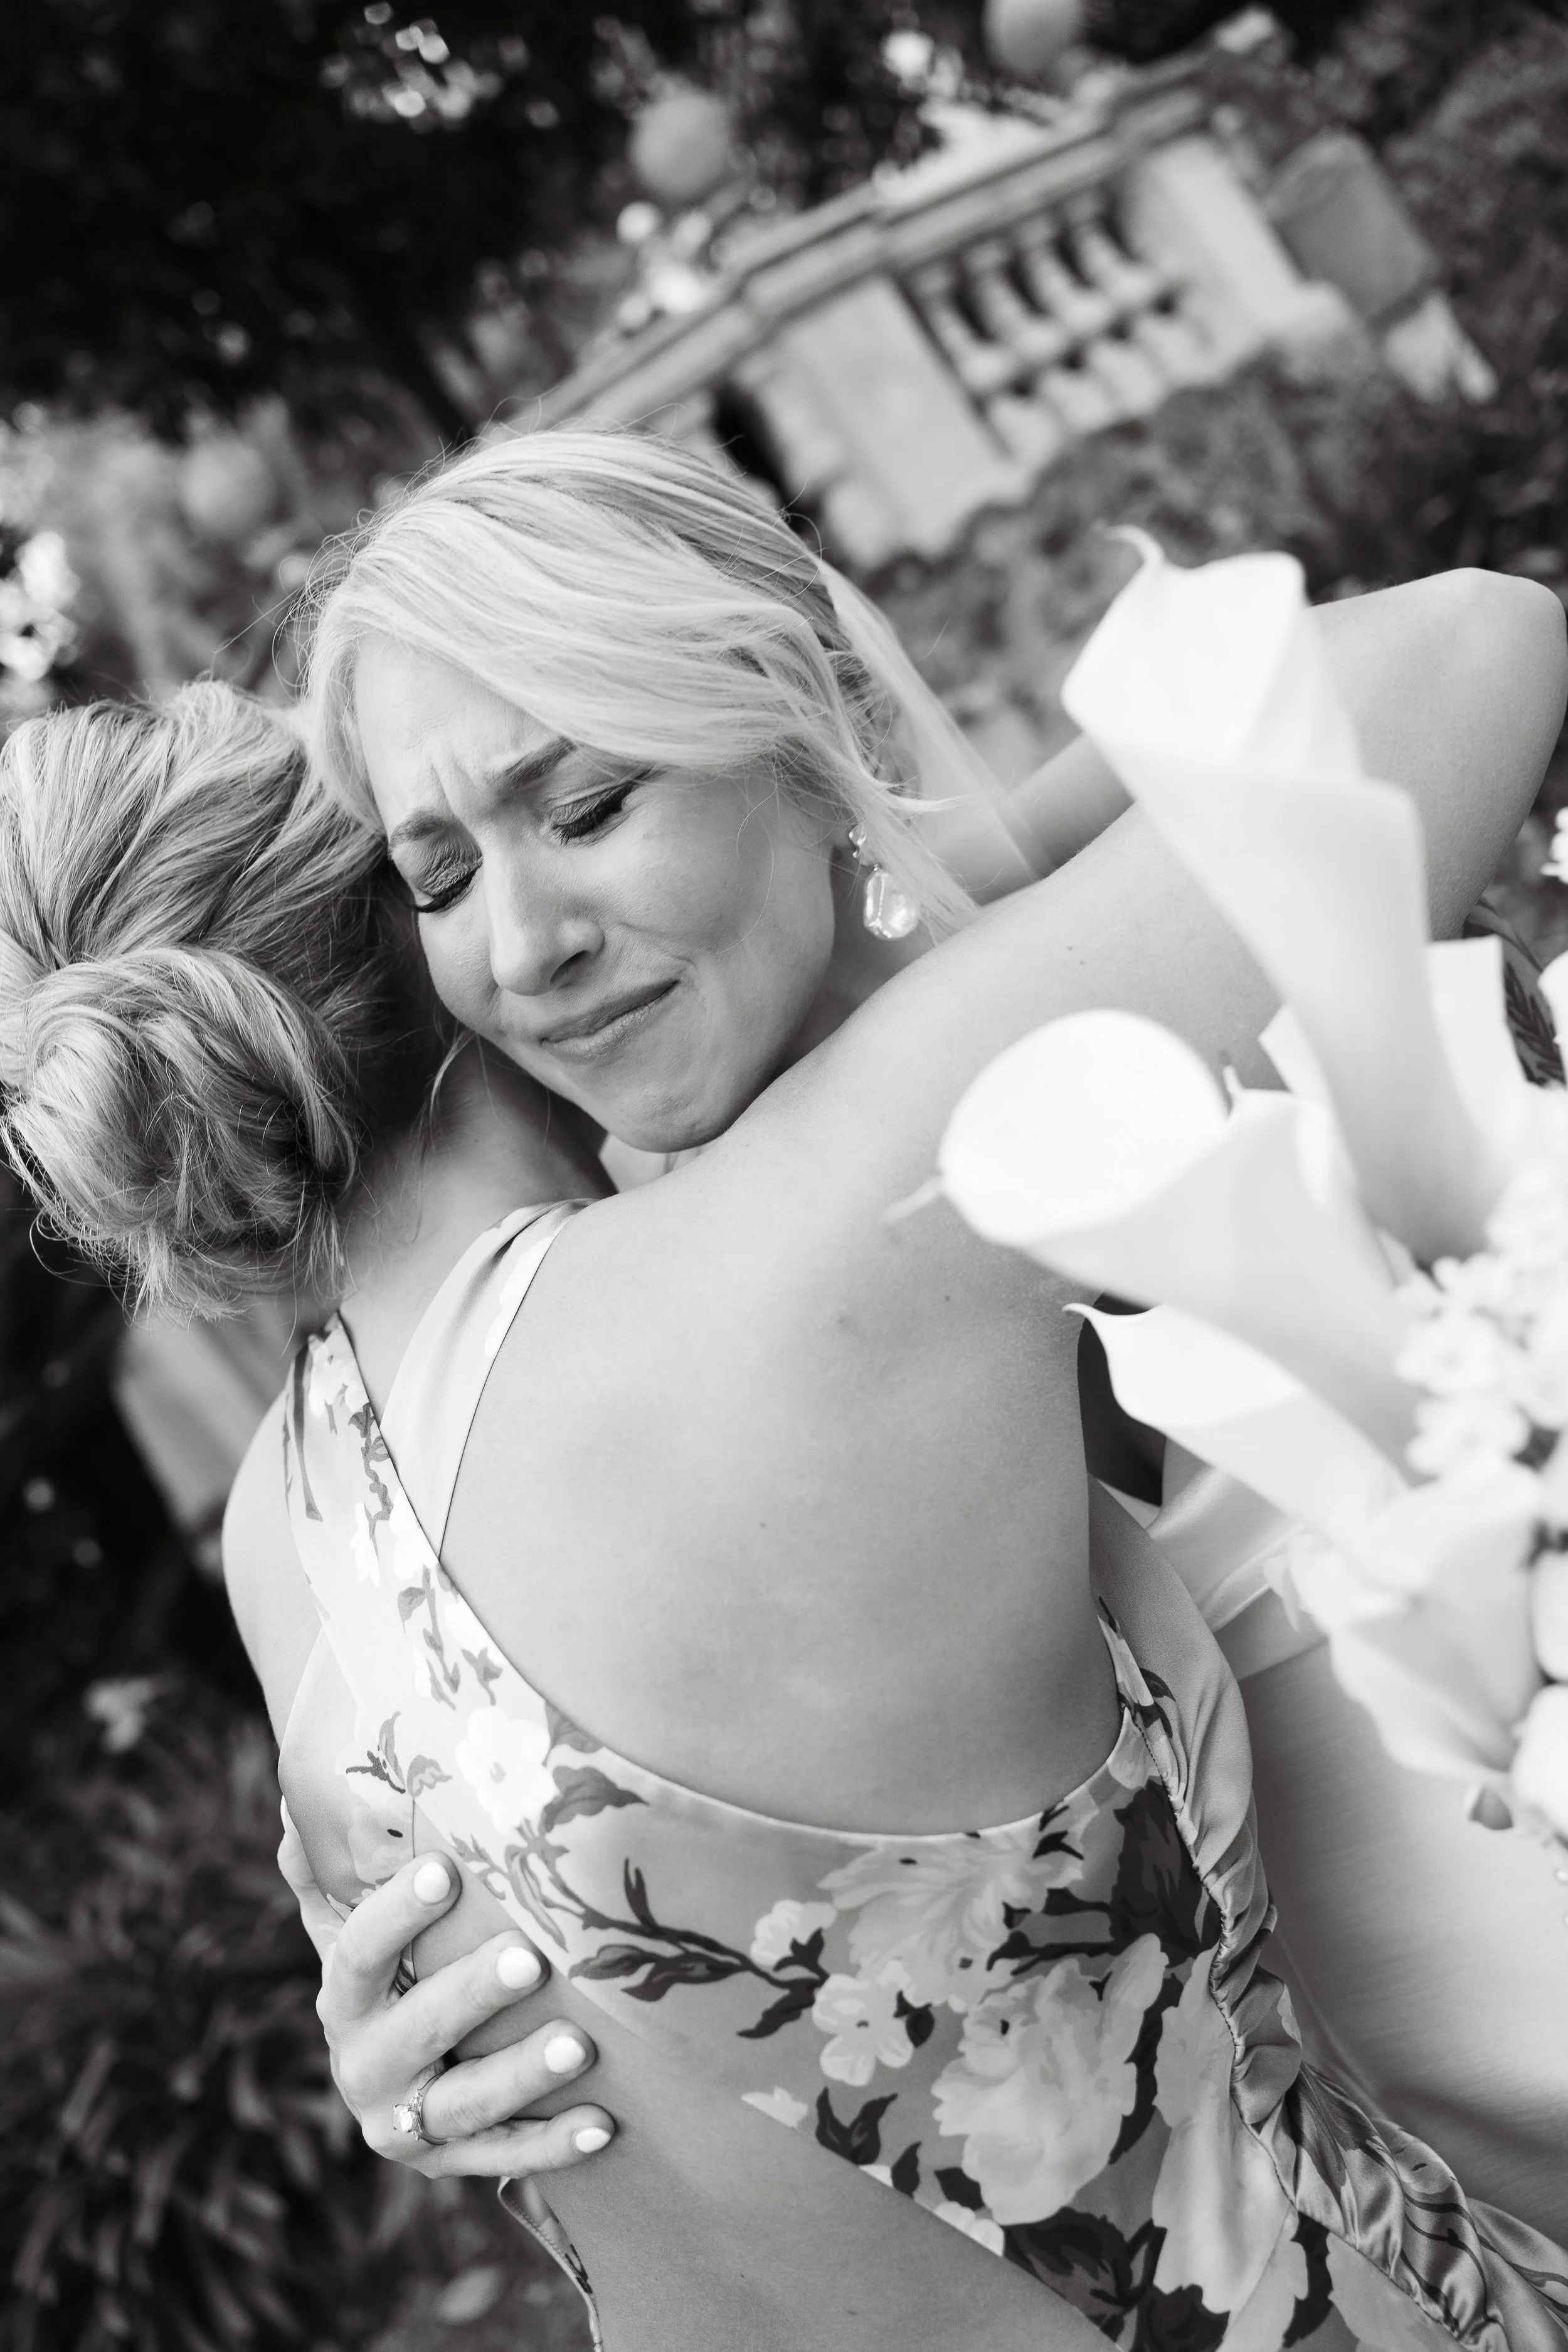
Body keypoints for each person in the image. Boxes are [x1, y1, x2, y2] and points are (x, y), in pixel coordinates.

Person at [7, 435, 1568, 2352]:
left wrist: (891, 874)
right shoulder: (809, 1230)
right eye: (437, 869)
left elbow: (1464, 648)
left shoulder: (317, 1497)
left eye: (585, 800)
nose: (525, 942)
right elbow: (1463, 651)